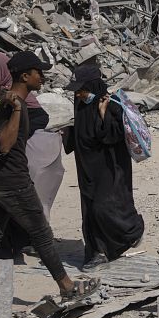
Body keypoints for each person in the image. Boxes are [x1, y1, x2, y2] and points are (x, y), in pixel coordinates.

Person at [0, 51, 96, 318]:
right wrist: (19, 109)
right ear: (24, 76)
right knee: (42, 234)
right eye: (38, 72)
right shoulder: (13, 104)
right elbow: (5, 144)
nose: (42, 77)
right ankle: (67, 287)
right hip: (13, 183)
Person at [0, 54, 63, 262]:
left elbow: (40, 118)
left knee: (21, 218)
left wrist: (18, 133)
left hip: (10, 164)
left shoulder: (18, 100)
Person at [64, 63, 146, 270]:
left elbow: (112, 137)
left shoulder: (112, 106)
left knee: (106, 207)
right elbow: (82, 135)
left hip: (111, 168)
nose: (79, 94)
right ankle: (97, 252)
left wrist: (102, 114)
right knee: (90, 211)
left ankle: (132, 231)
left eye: (82, 89)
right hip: (87, 169)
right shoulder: (80, 104)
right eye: (77, 90)